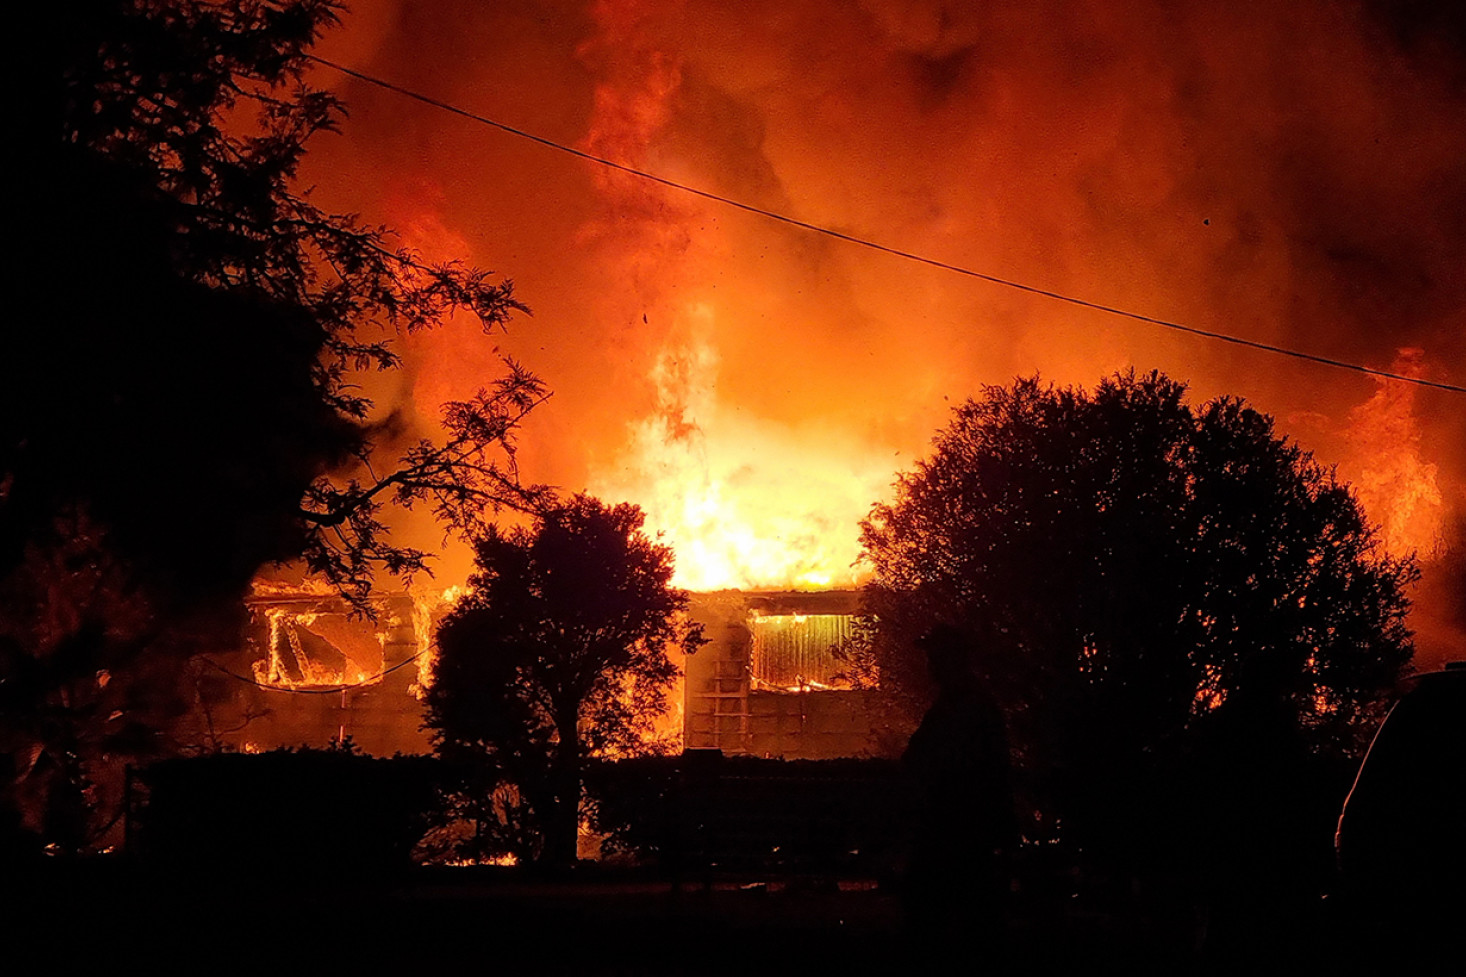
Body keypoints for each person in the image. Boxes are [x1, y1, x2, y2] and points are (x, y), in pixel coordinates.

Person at [901, 623, 1015, 958]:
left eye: (934, 656)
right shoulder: (968, 703)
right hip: (965, 831)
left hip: (955, 832)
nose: (929, 665)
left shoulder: (963, 708)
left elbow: (937, 763)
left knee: (942, 922)